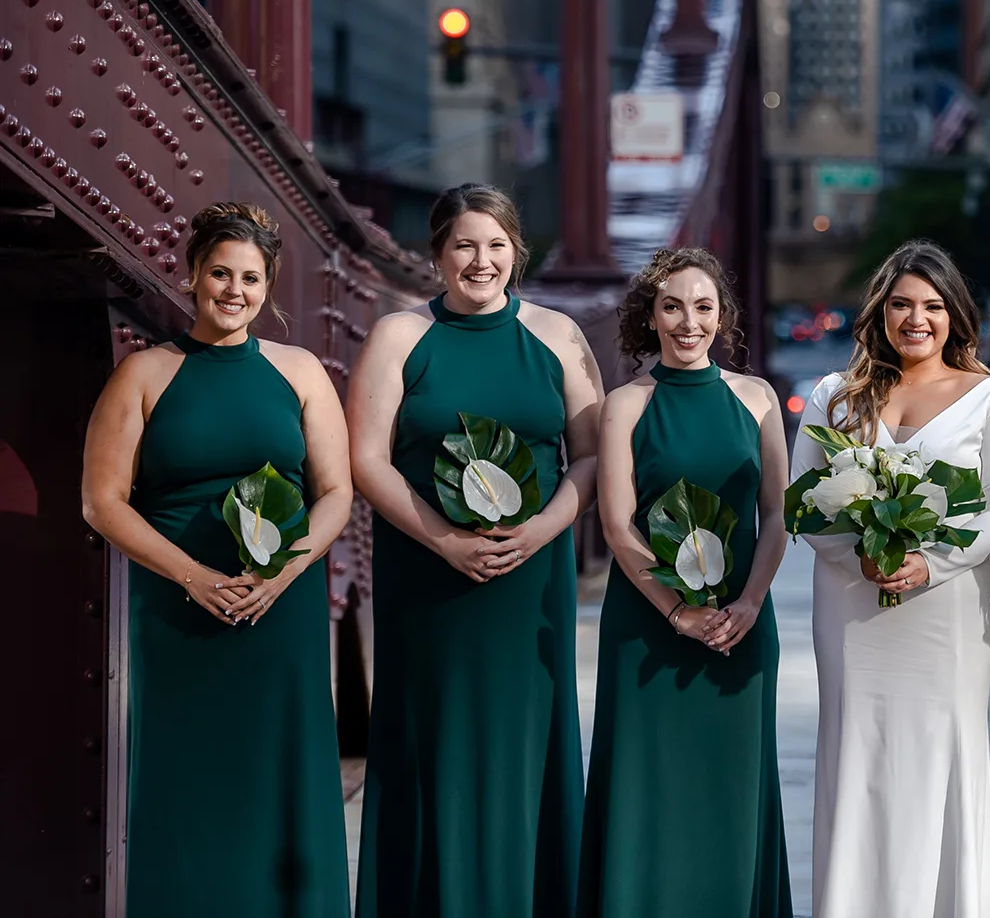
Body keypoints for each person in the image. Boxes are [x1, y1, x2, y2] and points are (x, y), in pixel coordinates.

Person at [81, 202, 353, 917]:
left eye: (251, 278)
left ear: (269, 287)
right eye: (221, 273)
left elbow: (336, 491)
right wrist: (194, 577)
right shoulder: (144, 373)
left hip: (281, 609)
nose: (235, 290)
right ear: (193, 274)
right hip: (178, 609)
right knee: (186, 782)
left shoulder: (301, 372)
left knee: (281, 775)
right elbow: (101, 502)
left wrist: (287, 571)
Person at [348, 184, 603, 918]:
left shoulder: (559, 336)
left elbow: (589, 457)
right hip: (428, 573)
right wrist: (444, 538)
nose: (480, 260)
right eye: (463, 244)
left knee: (527, 744)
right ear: (437, 255)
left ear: (516, 252)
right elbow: (369, 459)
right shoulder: (398, 336)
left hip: (532, 578)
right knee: (433, 743)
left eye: (496, 245)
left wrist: (541, 530)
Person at [792, 239, 990, 918]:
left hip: (947, 610)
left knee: (941, 751)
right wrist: (858, 557)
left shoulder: (988, 397)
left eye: (931, 305)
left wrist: (936, 560)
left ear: (954, 313)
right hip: (850, 608)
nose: (915, 318)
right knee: (856, 752)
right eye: (901, 303)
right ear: (880, 311)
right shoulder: (833, 396)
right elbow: (802, 501)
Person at [579, 248, 791, 916]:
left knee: (731, 789)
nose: (688, 320)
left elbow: (779, 511)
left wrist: (750, 602)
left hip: (742, 626)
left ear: (721, 314)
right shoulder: (625, 405)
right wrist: (678, 612)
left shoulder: (756, 398)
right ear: (651, 315)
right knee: (647, 788)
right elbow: (617, 524)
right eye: (672, 305)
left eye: (703, 306)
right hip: (649, 629)